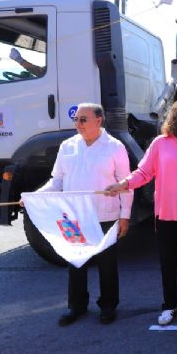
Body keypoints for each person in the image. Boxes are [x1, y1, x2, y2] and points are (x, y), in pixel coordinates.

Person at [104, 98, 177, 326]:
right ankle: (169, 305)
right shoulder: (160, 144)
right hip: (166, 214)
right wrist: (123, 184)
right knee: (168, 261)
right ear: (176, 116)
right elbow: (144, 172)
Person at [31, 103, 132, 326]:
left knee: (107, 264)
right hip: (74, 218)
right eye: (76, 120)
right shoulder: (67, 146)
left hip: (105, 216)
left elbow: (126, 184)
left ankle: (108, 306)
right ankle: (76, 306)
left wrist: (125, 215)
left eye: (83, 120)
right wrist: (34, 195)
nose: (78, 124)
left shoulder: (115, 147)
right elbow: (56, 181)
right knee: (76, 262)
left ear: (99, 120)